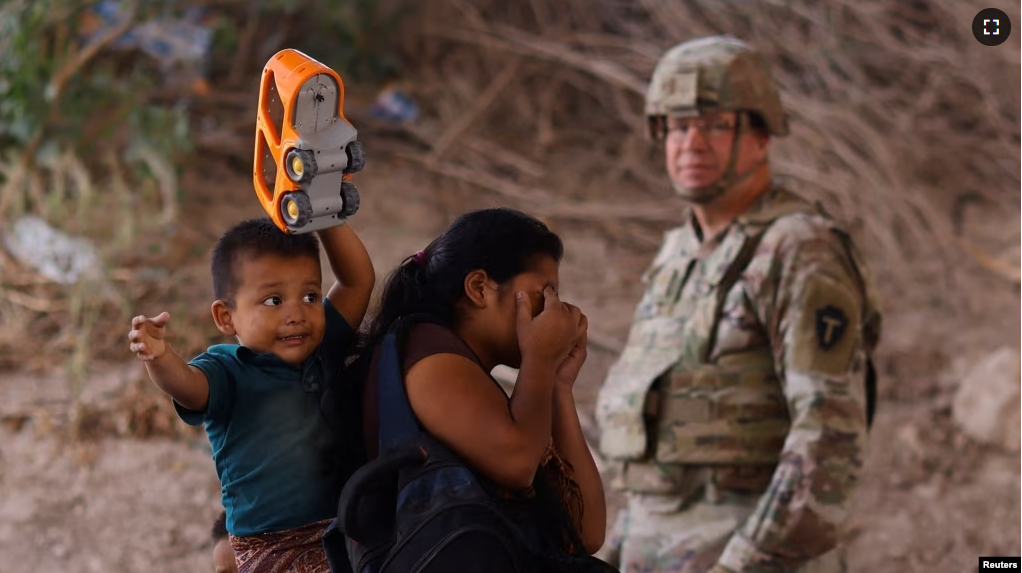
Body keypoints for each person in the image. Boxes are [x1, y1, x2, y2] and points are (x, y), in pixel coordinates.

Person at [593, 35, 882, 573]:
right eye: (677, 126)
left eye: (716, 125)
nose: (692, 143)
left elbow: (828, 437)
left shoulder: (799, 248)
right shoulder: (677, 253)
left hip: (749, 552)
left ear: (760, 135)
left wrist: (744, 564)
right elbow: (662, 452)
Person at [357, 207, 608, 560]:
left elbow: (586, 532)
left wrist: (558, 385)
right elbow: (518, 464)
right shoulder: (429, 355)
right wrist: (540, 359)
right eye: (544, 293)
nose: (555, 311)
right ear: (479, 288)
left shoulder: (467, 370)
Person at [128, 218, 375, 572]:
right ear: (226, 318)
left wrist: (326, 216)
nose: (296, 315)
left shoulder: (325, 343)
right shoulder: (227, 369)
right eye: (273, 300)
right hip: (270, 542)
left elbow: (358, 281)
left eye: (310, 296)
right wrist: (160, 356)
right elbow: (187, 386)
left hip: (345, 524)